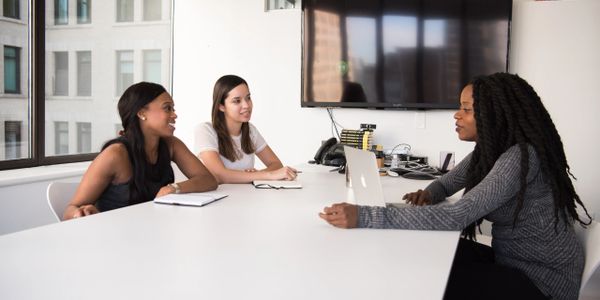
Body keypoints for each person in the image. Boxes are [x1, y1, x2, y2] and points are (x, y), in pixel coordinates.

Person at [319, 73, 592, 300]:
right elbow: (448, 183)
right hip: (512, 260)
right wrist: (429, 193)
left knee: (429, 278)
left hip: (541, 283)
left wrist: (365, 215)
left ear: (494, 114)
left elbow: (456, 215)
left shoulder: (520, 157)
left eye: (466, 109)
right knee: (427, 254)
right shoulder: (490, 152)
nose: (456, 115)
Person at [64, 82, 218, 220]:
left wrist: (173, 189)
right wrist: (81, 214)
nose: (174, 114)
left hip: (152, 232)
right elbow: (69, 212)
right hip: (116, 239)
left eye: (173, 108)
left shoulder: (171, 145)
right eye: (167, 108)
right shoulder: (115, 154)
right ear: (142, 113)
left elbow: (208, 180)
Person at [195, 75, 297, 183]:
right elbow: (220, 175)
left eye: (248, 98)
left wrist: (257, 175)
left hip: (247, 197)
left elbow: (276, 164)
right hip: (219, 198)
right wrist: (265, 175)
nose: (246, 105)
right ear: (221, 106)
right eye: (237, 101)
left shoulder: (250, 131)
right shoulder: (205, 130)